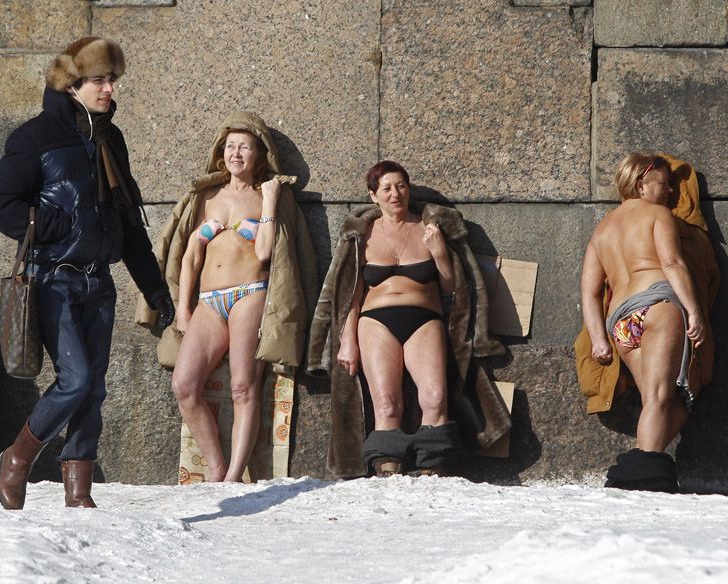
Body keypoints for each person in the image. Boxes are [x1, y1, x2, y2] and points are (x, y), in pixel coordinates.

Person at [0, 37, 174, 509]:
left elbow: (128, 222)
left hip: (98, 281)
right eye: (100, 80)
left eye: (113, 79)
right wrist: (44, 222)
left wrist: (154, 288)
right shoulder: (34, 137)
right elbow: (0, 202)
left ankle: (79, 491)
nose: (110, 88)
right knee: (76, 378)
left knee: (95, 387)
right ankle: (18, 458)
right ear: (72, 84)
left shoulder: (109, 138)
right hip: (52, 278)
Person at [136, 111, 317, 483]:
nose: (236, 154)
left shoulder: (273, 197)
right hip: (208, 301)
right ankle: (217, 467)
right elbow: (188, 257)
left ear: (259, 154)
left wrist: (268, 202)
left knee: (242, 385)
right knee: (184, 386)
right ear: (222, 153)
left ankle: (234, 476)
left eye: (245, 147)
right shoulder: (205, 196)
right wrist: (183, 310)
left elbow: (267, 253)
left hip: (251, 294)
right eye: (231, 146)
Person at [306, 160, 511, 479]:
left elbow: (452, 289)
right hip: (374, 321)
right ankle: (388, 466)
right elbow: (351, 292)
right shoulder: (362, 235)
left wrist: (440, 253)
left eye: (400, 186)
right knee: (387, 403)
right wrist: (347, 340)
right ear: (373, 195)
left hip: (424, 318)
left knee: (435, 397)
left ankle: (433, 462)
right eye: (386, 188)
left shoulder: (430, 229)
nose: (394, 194)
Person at [581, 152, 705, 492]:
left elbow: (590, 293)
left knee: (672, 404)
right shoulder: (657, 214)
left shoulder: (603, 229)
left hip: (620, 323)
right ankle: (646, 477)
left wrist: (598, 339)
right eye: (663, 185)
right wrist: (693, 310)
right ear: (642, 183)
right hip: (657, 305)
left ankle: (636, 466)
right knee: (658, 398)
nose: (669, 193)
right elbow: (672, 263)